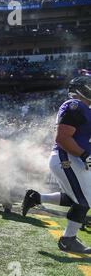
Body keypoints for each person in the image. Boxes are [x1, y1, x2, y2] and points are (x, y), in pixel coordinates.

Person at [22, 76, 91, 254]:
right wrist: (85, 154)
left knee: (75, 197)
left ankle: (37, 198)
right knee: (83, 200)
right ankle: (68, 240)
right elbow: (62, 138)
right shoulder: (75, 105)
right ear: (81, 88)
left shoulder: (84, 108)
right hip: (68, 157)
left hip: (72, 158)